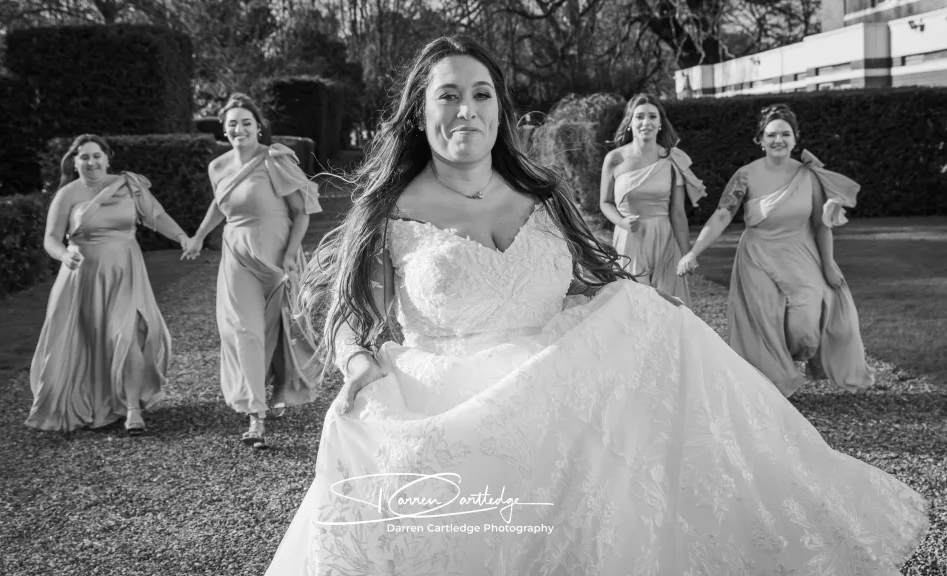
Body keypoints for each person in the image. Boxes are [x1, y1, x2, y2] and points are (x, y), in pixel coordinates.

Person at [263, 37, 927, 574]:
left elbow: (583, 288)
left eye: (480, 94)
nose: (466, 109)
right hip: (453, 419)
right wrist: (354, 362)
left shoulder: (543, 195)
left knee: (655, 328)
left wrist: (648, 314)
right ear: (419, 112)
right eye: (448, 95)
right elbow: (353, 309)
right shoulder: (391, 208)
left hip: (559, 410)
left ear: (499, 110)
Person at [676, 104, 876, 397]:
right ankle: (771, 387)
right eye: (771, 134)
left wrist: (829, 263)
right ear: (760, 139)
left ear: (796, 138)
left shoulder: (809, 176)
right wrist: (694, 252)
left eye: (785, 133)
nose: (778, 140)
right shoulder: (745, 175)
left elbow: (822, 224)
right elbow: (722, 215)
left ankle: (789, 364)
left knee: (805, 326)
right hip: (757, 257)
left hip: (801, 255)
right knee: (764, 323)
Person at [181, 93, 322, 448]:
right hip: (236, 255)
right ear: (224, 130)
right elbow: (220, 203)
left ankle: (276, 389)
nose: (239, 129)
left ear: (258, 126)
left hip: (275, 253)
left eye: (246, 122)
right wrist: (199, 236)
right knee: (246, 332)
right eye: (232, 124)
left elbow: (300, 211)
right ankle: (255, 416)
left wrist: (291, 254)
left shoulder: (275, 159)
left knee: (279, 330)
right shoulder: (218, 167)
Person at [26, 134, 191, 435]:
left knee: (126, 334)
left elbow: (157, 216)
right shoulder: (66, 194)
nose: (91, 162)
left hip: (126, 270)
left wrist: (182, 237)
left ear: (107, 157)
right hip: (83, 276)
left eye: (96, 155)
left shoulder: (128, 184)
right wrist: (64, 255)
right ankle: (94, 399)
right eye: (84, 157)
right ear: (74, 162)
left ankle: (131, 409)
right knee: (89, 339)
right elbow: (51, 238)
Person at [600, 93, 704, 305]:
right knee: (634, 304)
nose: (646, 122)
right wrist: (621, 222)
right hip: (630, 238)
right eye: (639, 117)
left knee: (669, 305)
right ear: (630, 122)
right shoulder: (615, 159)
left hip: (665, 239)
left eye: (652, 116)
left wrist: (687, 254)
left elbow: (677, 213)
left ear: (660, 123)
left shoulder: (672, 158)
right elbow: (605, 202)